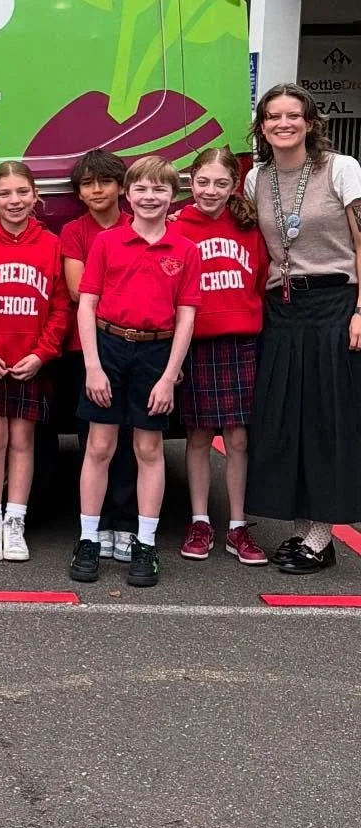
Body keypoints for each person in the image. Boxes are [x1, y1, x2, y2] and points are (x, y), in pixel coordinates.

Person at [243, 84, 361, 576]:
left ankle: (321, 536)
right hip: (283, 309)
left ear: (311, 122)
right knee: (286, 420)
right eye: (274, 117)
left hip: (336, 303)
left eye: (294, 115)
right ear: (262, 126)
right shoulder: (255, 178)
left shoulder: (342, 169)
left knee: (326, 420)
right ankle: (300, 529)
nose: (283, 124)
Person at [70, 155, 201, 589]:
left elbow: (186, 317)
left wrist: (169, 375)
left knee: (149, 450)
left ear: (172, 196)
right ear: (128, 194)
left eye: (159, 190)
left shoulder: (185, 250)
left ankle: (145, 544)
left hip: (155, 352)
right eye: (141, 189)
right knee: (99, 446)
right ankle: (88, 539)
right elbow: (87, 304)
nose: (150, 197)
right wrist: (92, 366)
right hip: (108, 347)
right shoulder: (107, 242)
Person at [0, 160, 69, 564]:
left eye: (22, 192)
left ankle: (15, 521)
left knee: (24, 442)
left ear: (36, 196)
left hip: (29, 361)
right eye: (5, 194)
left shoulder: (50, 243)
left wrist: (42, 354)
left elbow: (61, 307)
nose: (14, 201)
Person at [170, 147, 268, 567]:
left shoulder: (249, 228)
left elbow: (260, 279)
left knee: (238, 439)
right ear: (191, 182)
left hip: (240, 342)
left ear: (234, 186)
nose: (211, 191)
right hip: (195, 342)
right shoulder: (177, 227)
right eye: (203, 182)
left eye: (221, 183)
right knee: (196, 435)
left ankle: (237, 525)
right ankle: (199, 520)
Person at [58, 151, 139, 564]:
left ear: (120, 187)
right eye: (88, 184)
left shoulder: (136, 225)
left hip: (137, 347)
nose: (96, 190)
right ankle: (96, 524)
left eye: (105, 182)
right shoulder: (74, 231)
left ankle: (125, 524)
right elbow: (76, 290)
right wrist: (126, 292)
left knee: (129, 439)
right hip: (85, 347)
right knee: (93, 441)